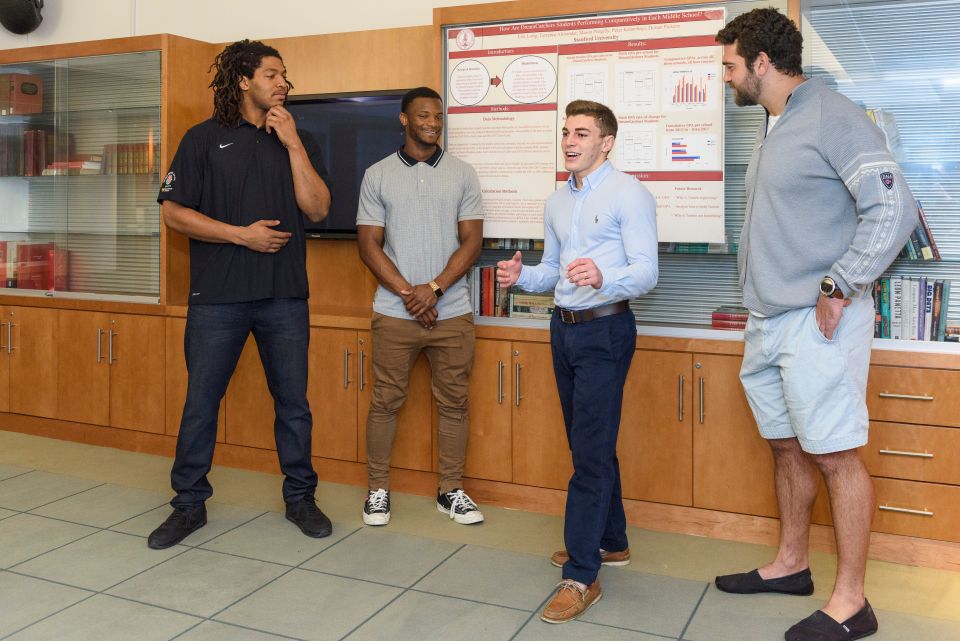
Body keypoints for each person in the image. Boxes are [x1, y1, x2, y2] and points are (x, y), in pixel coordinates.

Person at [713, 9, 917, 641]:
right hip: (770, 320)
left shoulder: (833, 116)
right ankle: (791, 564)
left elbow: (894, 207)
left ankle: (852, 603)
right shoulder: (780, 124)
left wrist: (841, 282)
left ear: (761, 65)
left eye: (729, 65)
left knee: (835, 456)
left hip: (818, 321)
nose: (725, 78)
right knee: (787, 444)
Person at [149, 39, 333, 549]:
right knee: (201, 405)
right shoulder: (202, 139)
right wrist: (240, 234)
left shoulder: (301, 138)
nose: (283, 84)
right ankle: (188, 506)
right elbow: (173, 212)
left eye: (285, 76)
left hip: (284, 296)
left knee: (293, 404)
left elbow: (317, 209)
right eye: (273, 75)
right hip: (218, 299)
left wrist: (293, 143)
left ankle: (301, 498)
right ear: (243, 81)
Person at [496, 100, 658, 624]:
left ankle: (582, 575)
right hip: (563, 331)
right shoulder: (556, 201)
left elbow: (646, 272)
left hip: (606, 330)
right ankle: (611, 541)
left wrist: (603, 279)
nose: (570, 141)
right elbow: (552, 273)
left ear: (605, 142)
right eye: (566, 132)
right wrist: (521, 276)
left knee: (589, 453)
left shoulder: (629, 194)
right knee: (590, 442)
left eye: (581, 133)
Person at [356, 86, 485, 527]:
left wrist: (434, 289)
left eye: (438, 117)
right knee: (385, 402)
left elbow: (473, 242)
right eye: (423, 115)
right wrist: (413, 295)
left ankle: (451, 491)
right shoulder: (377, 174)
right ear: (404, 119)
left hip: (452, 313)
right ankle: (377, 490)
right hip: (394, 313)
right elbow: (369, 246)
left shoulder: (464, 173)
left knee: (455, 403)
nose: (432, 123)